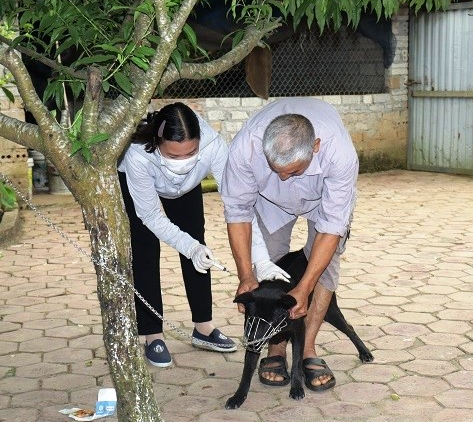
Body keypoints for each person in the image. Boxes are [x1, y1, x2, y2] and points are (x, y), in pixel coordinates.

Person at [221, 97, 358, 391]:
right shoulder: (245, 148)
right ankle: (276, 348)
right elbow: (237, 213)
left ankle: (307, 348)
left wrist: (305, 286)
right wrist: (246, 275)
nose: (283, 178)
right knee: (266, 266)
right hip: (268, 203)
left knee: (323, 271)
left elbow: (332, 226)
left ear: (315, 148)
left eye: (293, 171)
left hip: (322, 203)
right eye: (275, 169)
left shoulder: (339, 154)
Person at [117, 102, 237, 368]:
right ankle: (152, 334)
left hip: (187, 187)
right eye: (174, 155)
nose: (183, 161)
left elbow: (235, 200)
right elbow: (150, 217)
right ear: (159, 143)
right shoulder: (138, 155)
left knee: (197, 244)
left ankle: (203, 327)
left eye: (190, 153)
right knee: (145, 250)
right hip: (142, 183)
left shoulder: (213, 145)